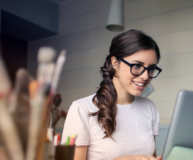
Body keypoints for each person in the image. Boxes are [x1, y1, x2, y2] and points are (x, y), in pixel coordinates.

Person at [62, 30, 162, 160]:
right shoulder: (81, 109)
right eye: (137, 65)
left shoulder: (149, 107)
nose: (145, 76)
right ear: (115, 62)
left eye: (151, 69)